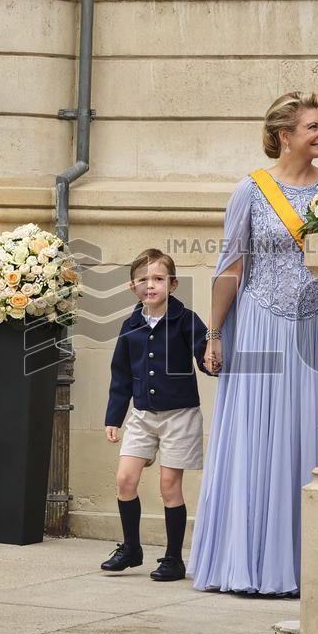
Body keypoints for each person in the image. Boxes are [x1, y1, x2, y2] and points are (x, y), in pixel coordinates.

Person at [188, 91, 318, 595]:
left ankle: (307, 565)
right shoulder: (252, 189)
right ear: (284, 136)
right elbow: (230, 267)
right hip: (259, 327)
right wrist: (215, 334)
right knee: (256, 439)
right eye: (313, 126)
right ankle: (248, 562)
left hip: (312, 328)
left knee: (304, 439)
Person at [101, 248, 211, 582]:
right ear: (133, 287)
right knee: (125, 479)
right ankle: (131, 547)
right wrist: (113, 418)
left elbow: (206, 356)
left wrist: (214, 363)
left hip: (179, 415)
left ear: (173, 284)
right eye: (143, 280)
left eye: (159, 279)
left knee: (168, 486)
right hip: (142, 416)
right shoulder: (130, 326)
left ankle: (174, 559)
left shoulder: (186, 320)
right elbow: (120, 376)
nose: (151, 285)